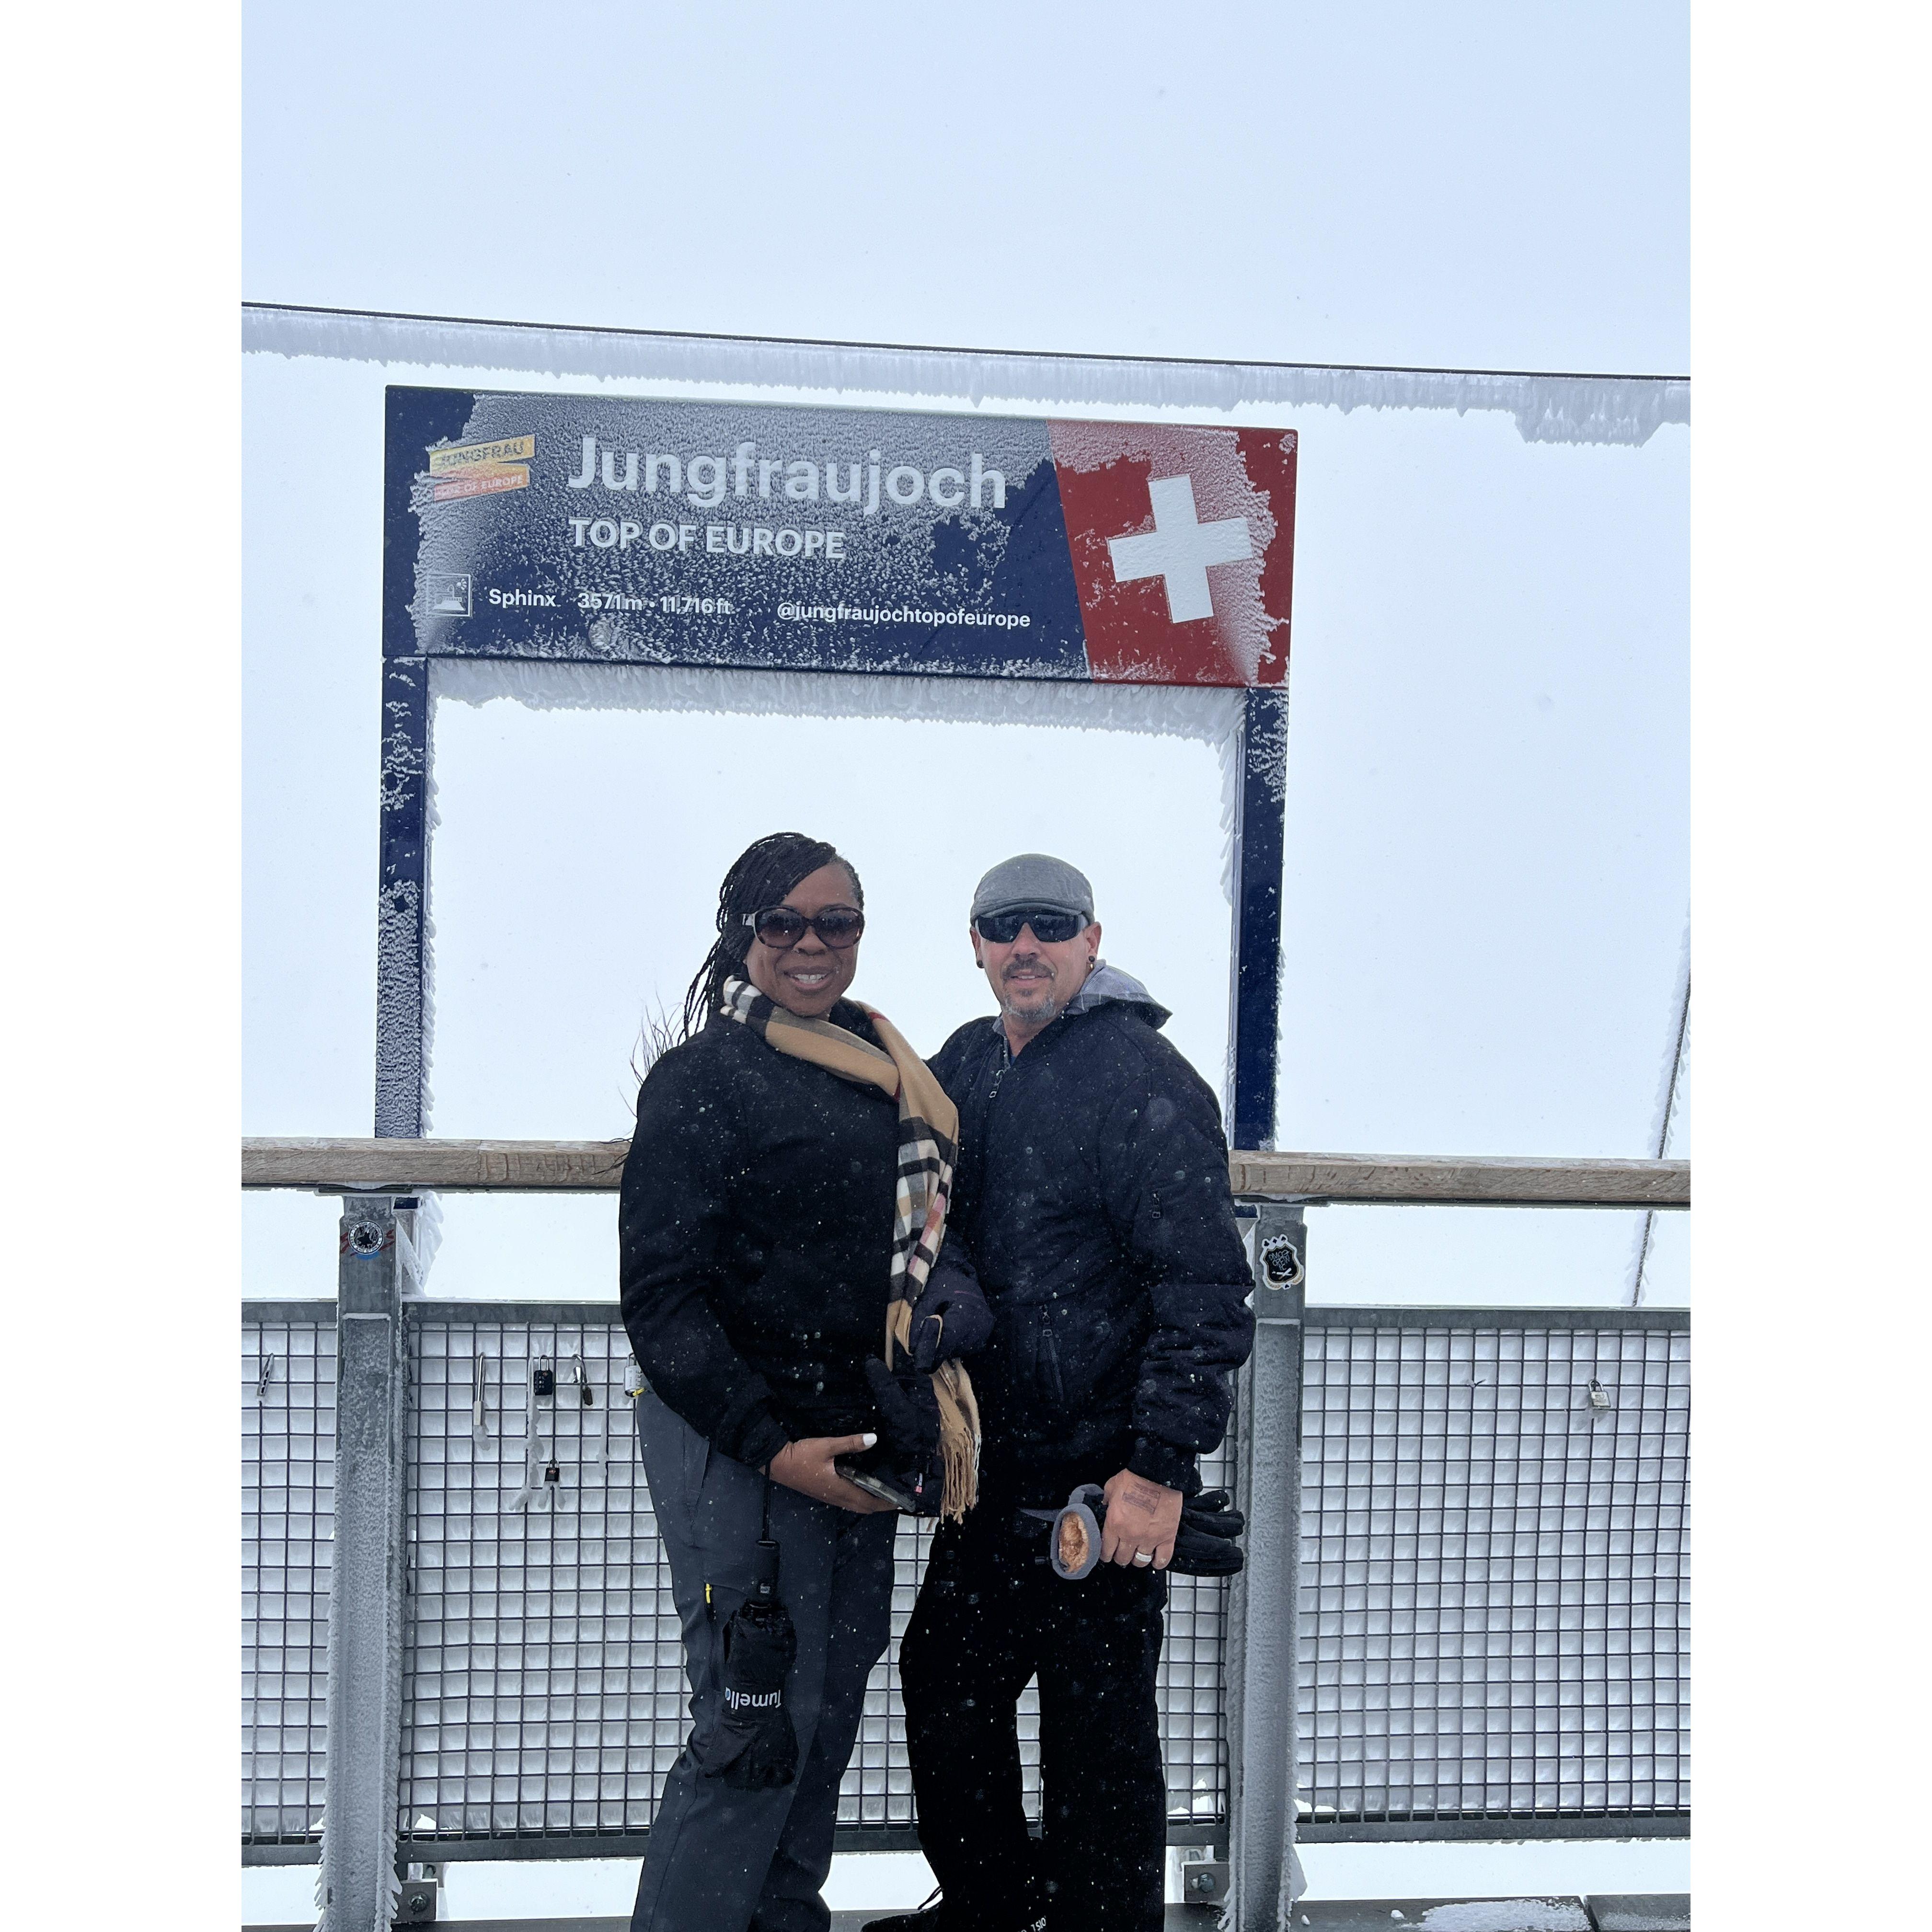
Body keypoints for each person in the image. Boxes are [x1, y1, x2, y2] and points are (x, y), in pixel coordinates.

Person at [866, 853, 1256, 1932]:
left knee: (1100, 1742)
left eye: (1049, 925)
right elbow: (894, 1181)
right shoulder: (962, 1066)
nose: (1024, 946)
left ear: (1092, 940)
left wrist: (1158, 1468)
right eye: (1003, 927)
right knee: (946, 1690)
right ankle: (994, 1908)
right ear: (976, 945)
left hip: (1104, 1481)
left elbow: (1205, 1288)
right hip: (986, 1475)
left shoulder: (1145, 1079)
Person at [619, 832, 991, 1932]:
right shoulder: (702, 1080)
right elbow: (664, 1300)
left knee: (821, 1725)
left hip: (857, 1443)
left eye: (838, 923)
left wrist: (947, 1306)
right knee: (753, 1729)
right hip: (741, 1446)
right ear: (743, 936)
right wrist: (771, 1443)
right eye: (784, 923)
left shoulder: (889, 1075)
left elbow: (911, 1248)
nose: (812, 945)